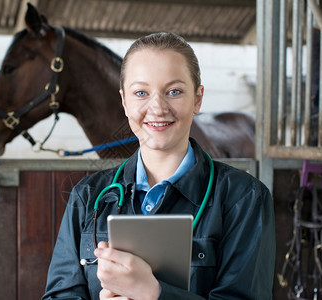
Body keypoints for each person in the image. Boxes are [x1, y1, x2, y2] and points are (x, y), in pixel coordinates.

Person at [43, 32, 276, 299]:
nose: (157, 107)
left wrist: (154, 293)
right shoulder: (87, 197)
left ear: (197, 99)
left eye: (174, 91)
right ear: (124, 102)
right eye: (141, 92)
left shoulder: (244, 198)